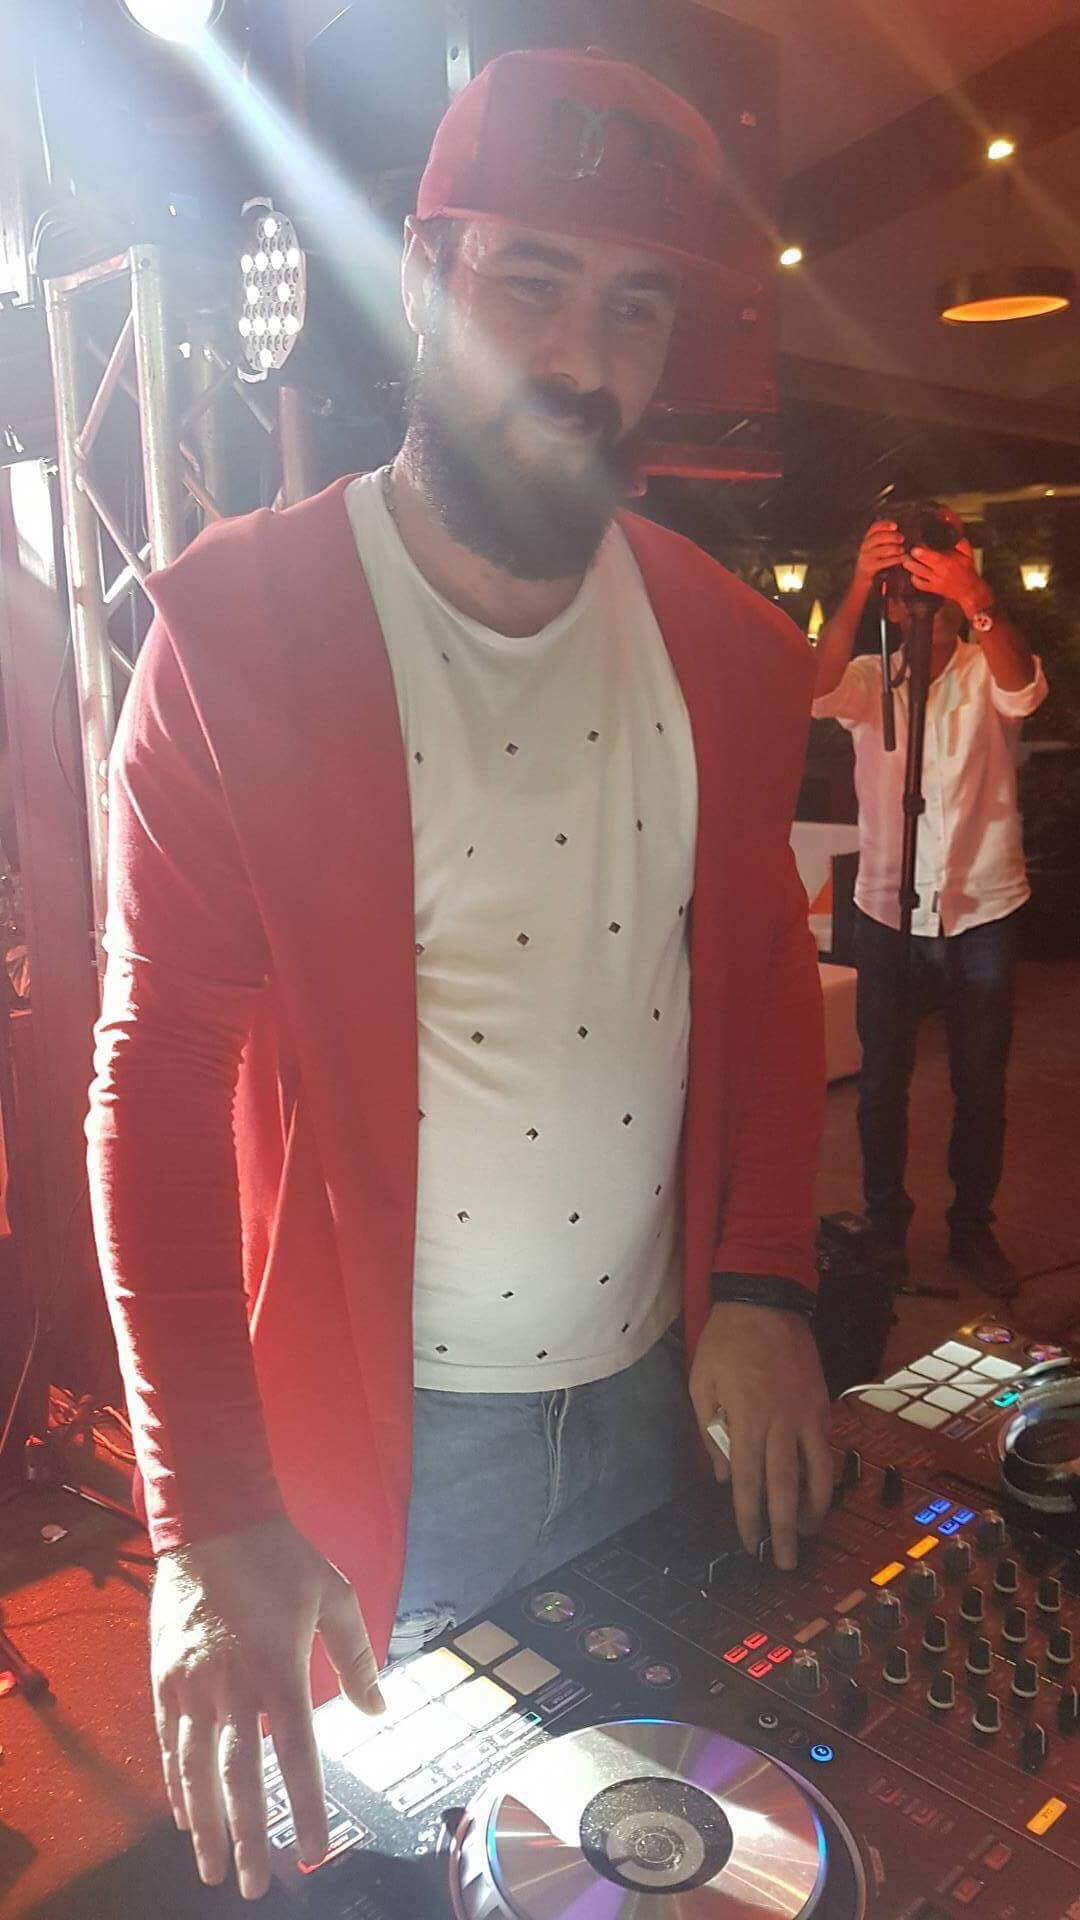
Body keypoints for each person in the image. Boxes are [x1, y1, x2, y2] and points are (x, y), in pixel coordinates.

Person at [87, 49, 831, 1904]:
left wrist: (764, 1280)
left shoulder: (735, 655)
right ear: (424, 277)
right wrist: (203, 1513)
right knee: (402, 1877)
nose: (582, 360)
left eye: (635, 306)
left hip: (658, 1399)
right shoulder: (236, 639)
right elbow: (154, 1078)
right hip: (384, 1451)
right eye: (531, 283)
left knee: (650, 1852)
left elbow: (758, 969)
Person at [813, 514, 1047, 1294]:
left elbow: (1024, 690)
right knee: (882, 1081)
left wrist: (975, 594)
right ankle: (885, 1225)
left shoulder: (987, 666)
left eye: (929, 586)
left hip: (982, 905)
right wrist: (857, 584)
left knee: (980, 1082)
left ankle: (971, 1228)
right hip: (886, 906)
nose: (919, 603)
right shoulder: (869, 679)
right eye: (907, 589)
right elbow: (810, 688)